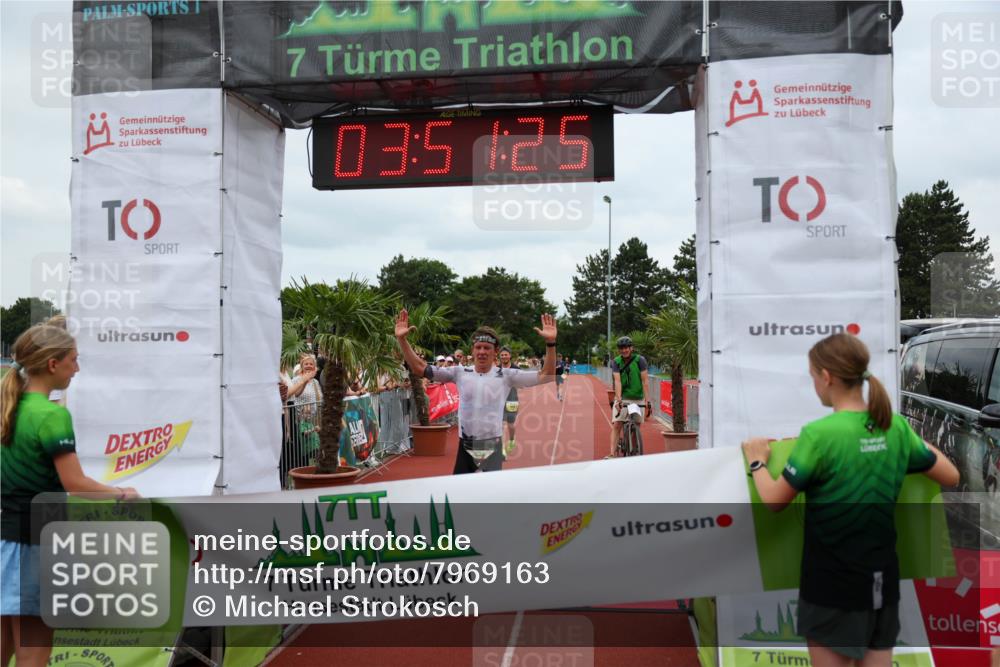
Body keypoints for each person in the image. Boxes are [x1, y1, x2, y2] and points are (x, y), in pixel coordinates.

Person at [743, 333, 959, 667]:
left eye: (813, 377)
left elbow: (774, 500)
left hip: (830, 585)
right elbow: (951, 476)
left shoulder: (819, 435)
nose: (814, 385)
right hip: (881, 581)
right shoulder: (896, 428)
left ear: (827, 377)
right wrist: (900, 442)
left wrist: (757, 460)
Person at [1, 325, 140, 667]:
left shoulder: (10, 408)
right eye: (73, 361)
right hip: (35, 542)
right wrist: (121, 492)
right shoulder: (53, 415)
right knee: (34, 653)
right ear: (52, 364)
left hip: (6, 540)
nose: (76, 369)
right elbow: (75, 483)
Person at [395, 311, 557, 473]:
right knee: (460, 494)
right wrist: (402, 340)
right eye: (478, 347)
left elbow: (547, 375)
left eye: (487, 348)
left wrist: (550, 343)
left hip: (492, 445)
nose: (482, 352)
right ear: (472, 351)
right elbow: (419, 368)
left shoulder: (506, 376)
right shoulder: (459, 372)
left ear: (496, 351)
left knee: (491, 495)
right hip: (465, 445)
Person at [608, 336, 651, 458]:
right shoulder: (616, 362)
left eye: (626, 347)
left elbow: (645, 381)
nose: (624, 350)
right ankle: (612, 453)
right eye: (621, 348)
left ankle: (634, 449)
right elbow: (617, 381)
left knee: (636, 425)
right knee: (617, 424)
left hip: (638, 398)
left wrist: (647, 401)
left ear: (631, 348)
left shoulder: (640, 360)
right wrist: (619, 399)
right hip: (623, 397)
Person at [498, 347, 519, 457]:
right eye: (502, 355)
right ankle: (502, 450)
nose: (504, 357)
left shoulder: (516, 368)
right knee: (500, 425)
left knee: (510, 424)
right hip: (499, 399)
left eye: (506, 354)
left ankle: (511, 440)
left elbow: (520, 383)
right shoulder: (497, 369)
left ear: (510, 356)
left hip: (512, 399)